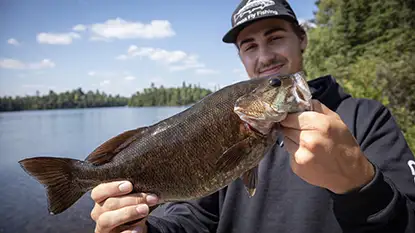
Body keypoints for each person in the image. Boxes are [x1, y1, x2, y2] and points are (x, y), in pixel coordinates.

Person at [89, 0, 415, 232]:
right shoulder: (233, 125)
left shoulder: (369, 118)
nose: (265, 56)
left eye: (275, 38)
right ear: (241, 56)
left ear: (302, 38)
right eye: (249, 46)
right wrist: (144, 228)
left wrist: (359, 182)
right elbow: (193, 216)